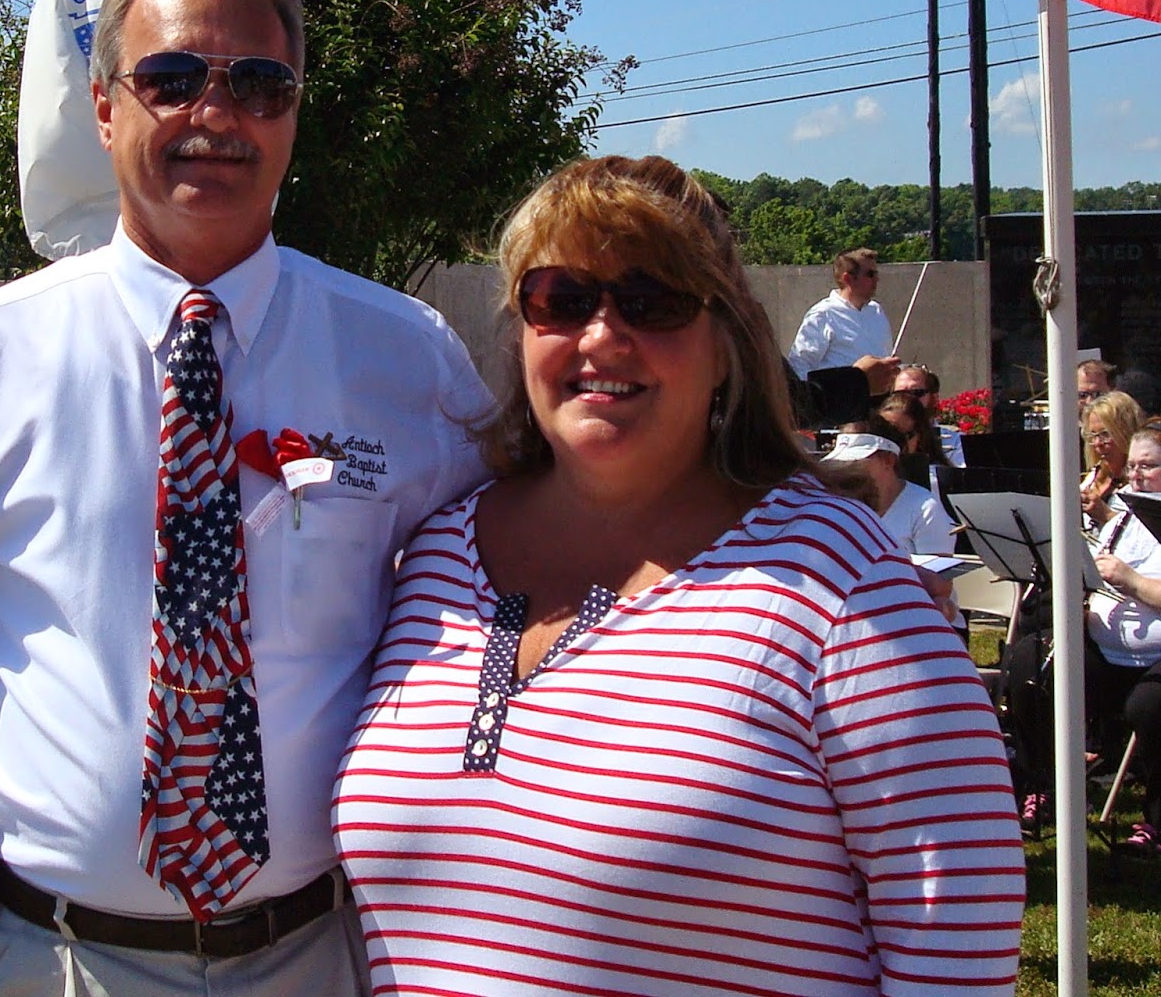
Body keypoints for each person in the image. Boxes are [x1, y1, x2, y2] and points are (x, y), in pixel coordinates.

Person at [0, 0, 491, 997]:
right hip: (51, 960)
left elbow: (499, 616)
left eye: (258, 83)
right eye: (170, 79)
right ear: (103, 108)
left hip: (322, 958)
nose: (214, 116)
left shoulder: (408, 361)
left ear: (293, 112)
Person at [333, 156, 1024, 996]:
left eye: (652, 300)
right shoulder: (433, 554)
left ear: (728, 347)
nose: (600, 335)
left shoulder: (841, 586)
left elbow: (957, 949)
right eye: (561, 297)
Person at [1007, 427, 1161, 845]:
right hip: (1105, 648)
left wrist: (1130, 581)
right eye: (1132, 466)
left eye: (1148, 466)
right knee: (1028, 667)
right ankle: (1047, 784)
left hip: (1154, 660)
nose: (1136, 475)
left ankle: (1156, 818)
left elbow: (1132, 582)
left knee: (1150, 706)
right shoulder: (1122, 520)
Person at [824, 417, 964, 634]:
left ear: (888, 460)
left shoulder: (924, 506)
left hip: (923, 623)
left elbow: (941, 586)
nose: (847, 469)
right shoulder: (842, 507)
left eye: (856, 462)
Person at [786, 247, 897, 380]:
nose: (877, 280)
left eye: (876, 274)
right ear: (848, 279)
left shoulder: (877, 311)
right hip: (838, 398)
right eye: (870, 274)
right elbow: (799, 367)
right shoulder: (823, 314)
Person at [1082, 391, 1144, 532]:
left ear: (1126, 432)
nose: (1098, 443)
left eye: (1105, 434)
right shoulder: (1093, 476)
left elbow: (1147, 538)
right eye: (1093, 435)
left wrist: (1107, 515)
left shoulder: (1142, 482)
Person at [893, 363, 966, 466]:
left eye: (916, 393)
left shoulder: (956, 441)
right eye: (899, 394)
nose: (907, 400)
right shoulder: (882, 441)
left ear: (934, 398)